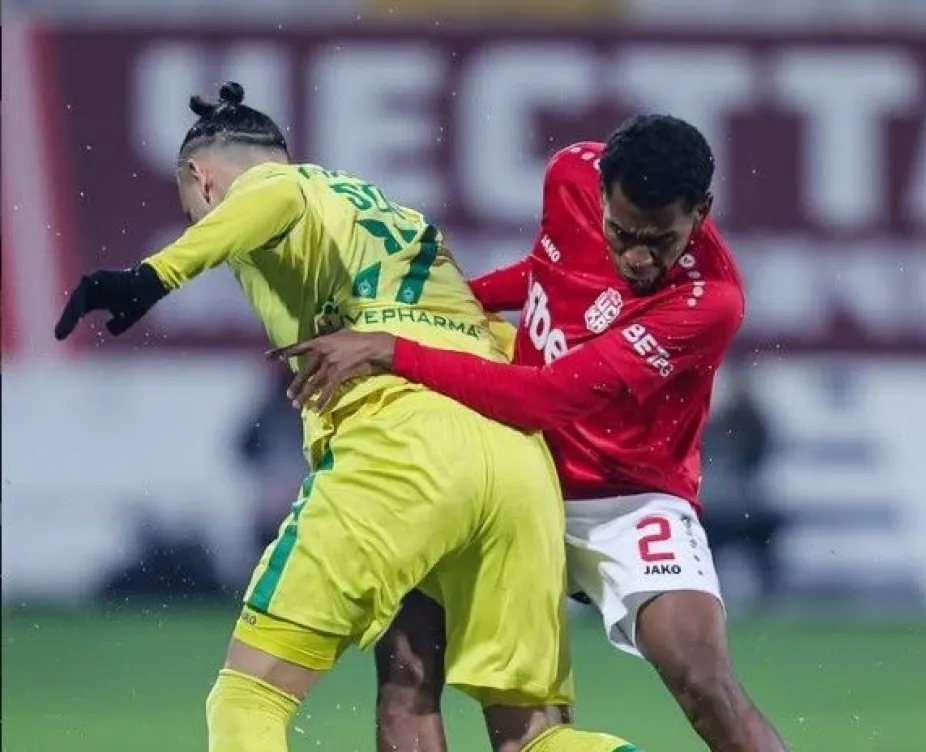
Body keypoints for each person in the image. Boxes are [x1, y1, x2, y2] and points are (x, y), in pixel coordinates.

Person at [53, 82, 638, 752]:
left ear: (201, 178)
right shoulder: (400, 220)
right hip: (516, 461)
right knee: (534, 740)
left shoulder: (281, 187)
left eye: (192, 205)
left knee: (247, 699)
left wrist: (152, 276)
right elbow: (502, 339)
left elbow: (270, 194)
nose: (199, 219)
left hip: (402, 445)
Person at [272, 115, 788, 751]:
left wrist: (393, 346)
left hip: (626, 499)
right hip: (512, 472)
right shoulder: (570, 174)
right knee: (411, 676)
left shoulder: (709, 300)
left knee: (705, 684)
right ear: (600, 194)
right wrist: (448, 307)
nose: (637, 257)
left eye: (661, 241)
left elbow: (545, 400)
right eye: (622, 233)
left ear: (700, 212)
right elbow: (548, 269)